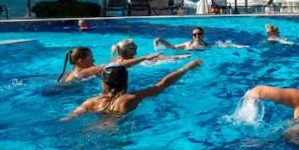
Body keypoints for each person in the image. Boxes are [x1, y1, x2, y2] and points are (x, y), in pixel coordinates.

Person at [62, 59, 202, 119]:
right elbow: (163, 84)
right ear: (125, 81)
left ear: (104, 83)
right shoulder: (130, 99)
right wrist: (186, 67)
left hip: (91, 131)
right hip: (115, 137)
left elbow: (69, 118)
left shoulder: (90, 102)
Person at [58, 45, 161, 84]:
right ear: (80, 60)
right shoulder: (83, 72)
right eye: (90, 57)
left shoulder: (70, 73)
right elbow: (116, 67)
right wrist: (144, 58)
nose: (94, 59)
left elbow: (106, 66)